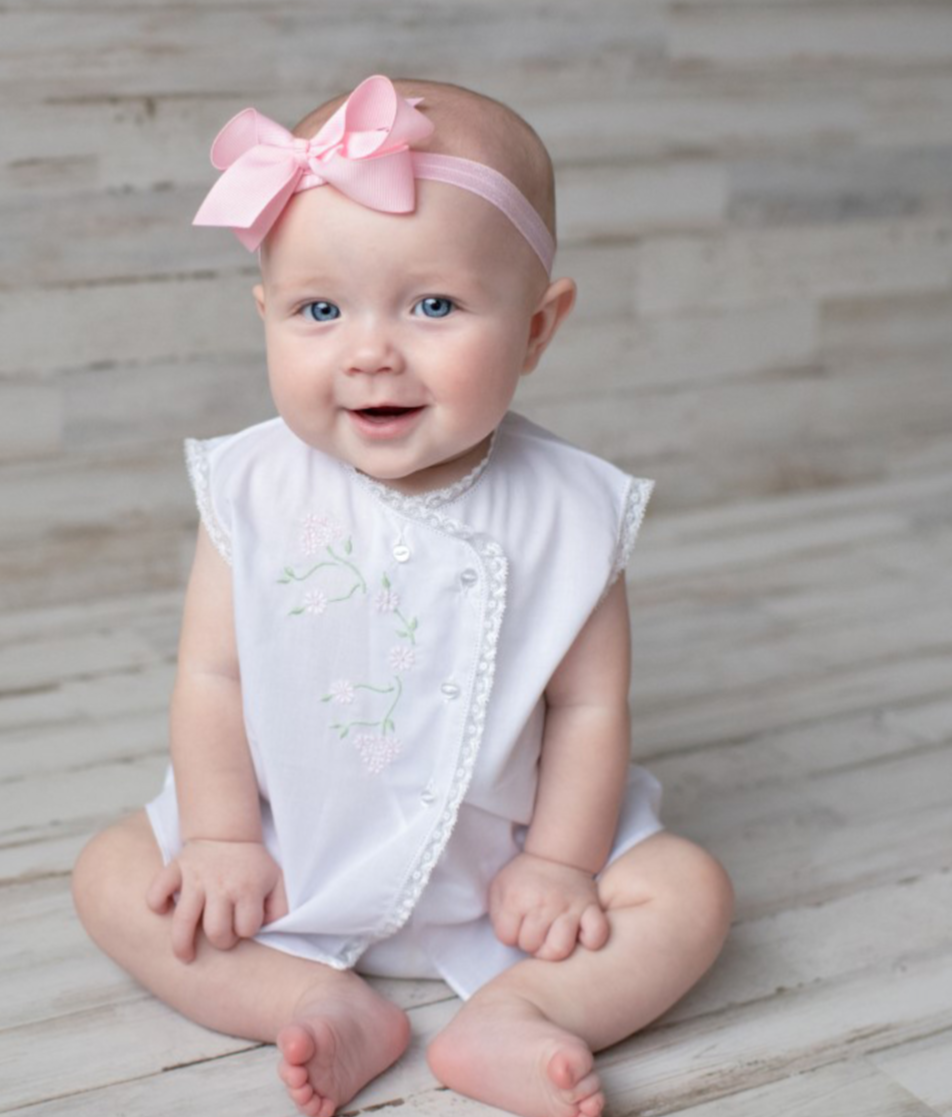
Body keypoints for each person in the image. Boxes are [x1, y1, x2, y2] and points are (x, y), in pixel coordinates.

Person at [72, 74, 734, 1117]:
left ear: (536, 328)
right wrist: (221, 839)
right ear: (265, 315)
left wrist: (561, 864)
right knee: (112, 875)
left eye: (433, 305)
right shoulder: (251, 487)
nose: (371, 351)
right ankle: (309, 997)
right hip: (291, 852)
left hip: (507, 865)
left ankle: (521, 1010)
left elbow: (586, 707)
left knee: (690, 893)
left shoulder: (572, 509)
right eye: (319, 309)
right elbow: (212, 676)